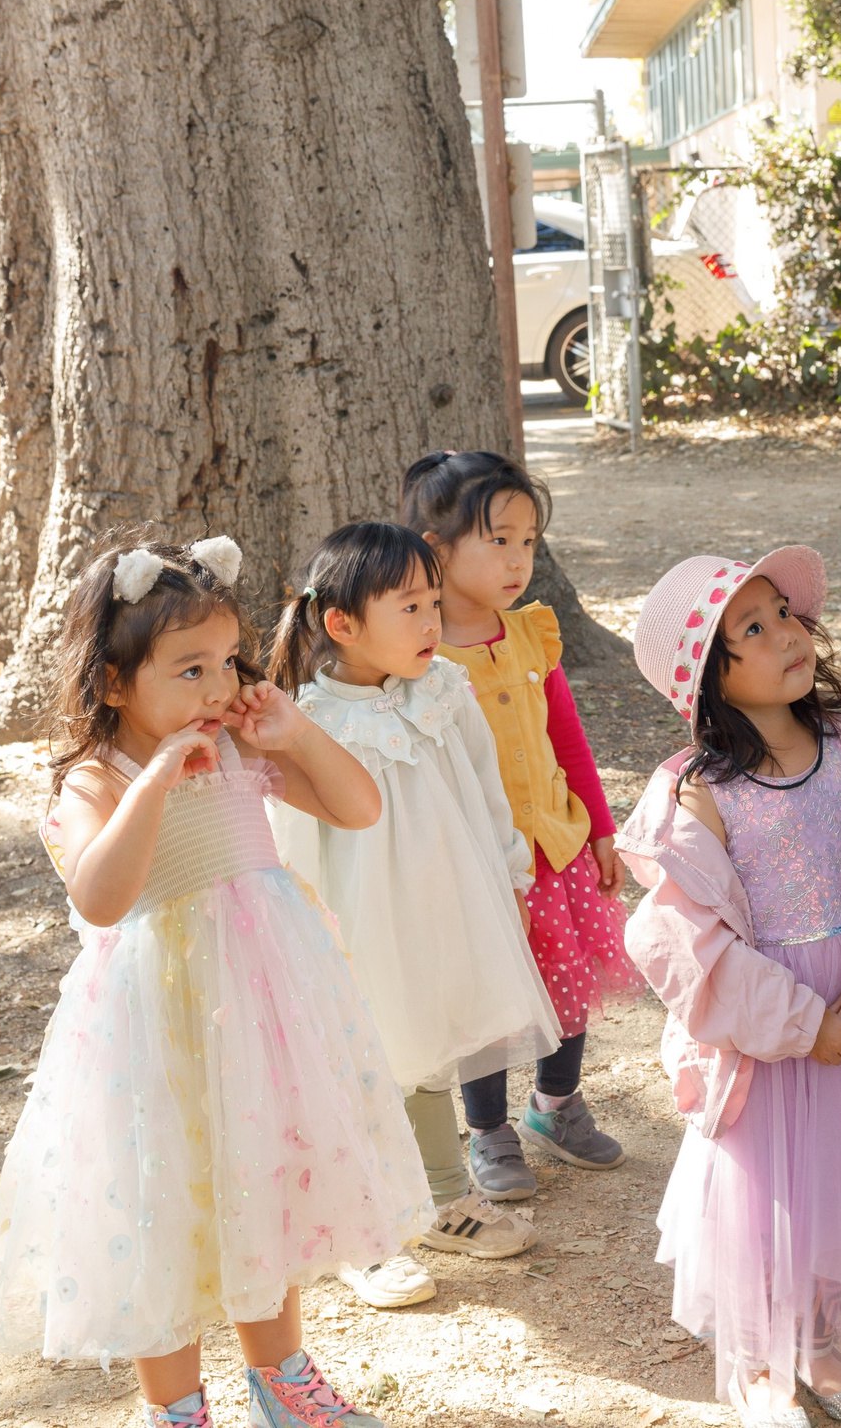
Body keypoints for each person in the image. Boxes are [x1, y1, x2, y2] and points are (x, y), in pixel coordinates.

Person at [0, 535, 427, 1428]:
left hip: (256, 1011)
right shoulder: (93, 779)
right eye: (190, 670)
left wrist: (294, 731)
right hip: (153, 1026)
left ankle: (283, 1383)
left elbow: (358, 805)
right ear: (114, 684)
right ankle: (176, 1407)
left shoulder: (238, 750)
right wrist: (150, 782)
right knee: (163, 1205)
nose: (219, 689)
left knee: (262, 1181)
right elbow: (102, 898)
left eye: (226, 662)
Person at [620, 547, 841, 1428]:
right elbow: (684, 938)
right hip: (763, 1022)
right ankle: (761, 1348)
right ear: (709, 681)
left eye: (785, 615)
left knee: (840, 1171)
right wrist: (801, 1019)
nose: (786, 634)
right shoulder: (700, 793)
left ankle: (828, 1337)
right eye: (751, 630)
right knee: (760, 1183)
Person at [264, 521, 564, 1309]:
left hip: (446, 908)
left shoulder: (445, 690)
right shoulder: (308, 720)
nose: (433, 621)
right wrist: (302, 934)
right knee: (365, 1060)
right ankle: (358, 1234)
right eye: (410, 606)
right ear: (341, 624)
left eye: (434, 601)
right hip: (359, 926)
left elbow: (485, 783)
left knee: (431, 1043)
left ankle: (439, 1198)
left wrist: (509, 871)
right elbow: (292, 837)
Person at [403, 450, 639, 1195]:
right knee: (485, 1000)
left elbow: (565, 736)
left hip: (557, 844)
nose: (518, 558)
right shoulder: (418, 651)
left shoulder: (533, 633)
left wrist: (600, 826)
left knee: (566, 983)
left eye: (528, 540)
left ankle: (556, 1104)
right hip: (477, 863)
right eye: (498, 538)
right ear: (437, 549)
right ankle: (488, 1129)